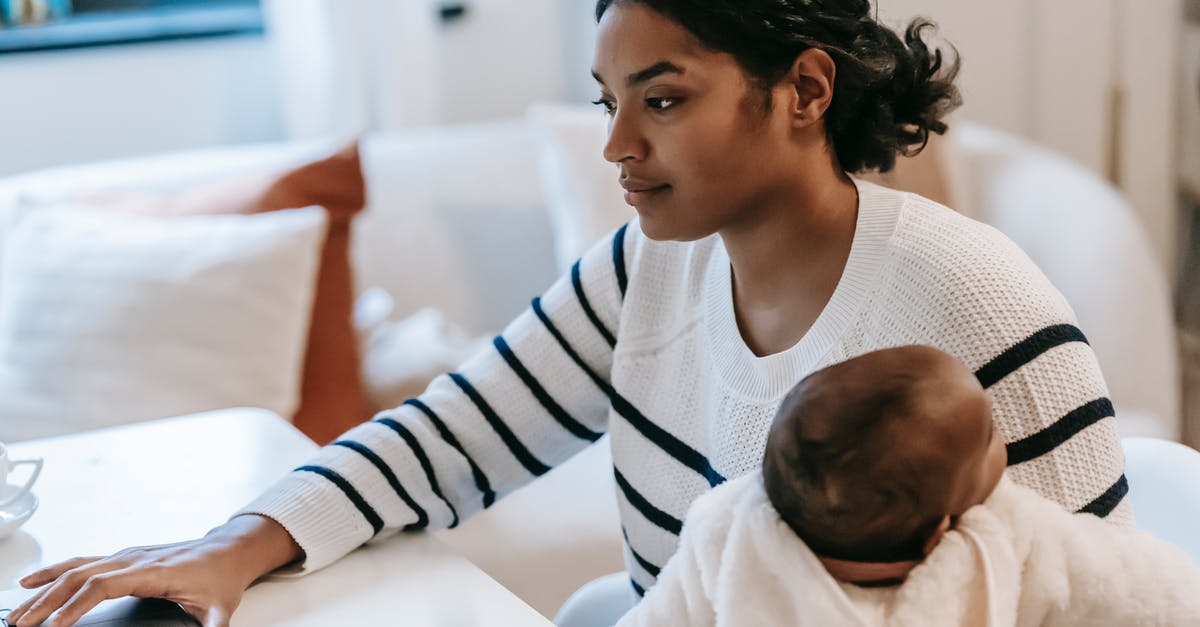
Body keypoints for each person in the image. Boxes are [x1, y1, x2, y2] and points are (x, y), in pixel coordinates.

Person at [7, 1, 1132, 625]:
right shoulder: (642, 271)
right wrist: (230, 547)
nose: (617, 145)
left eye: (664, 98)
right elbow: (454, 437)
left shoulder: (971, 305)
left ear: (803, 90)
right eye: (610, 102)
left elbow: (1100, 597)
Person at [616, 346, 1200, 626]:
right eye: (991, 436)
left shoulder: (727, 536)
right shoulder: (1009, 538)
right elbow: (1150, 593)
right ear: (939, 529)